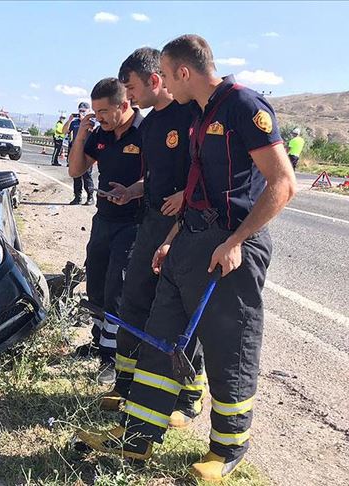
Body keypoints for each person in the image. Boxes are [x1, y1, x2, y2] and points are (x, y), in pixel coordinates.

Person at [76, 35, 296, 482]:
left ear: (181, 72)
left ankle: (228, 447)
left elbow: (283, 183)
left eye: (166, 77)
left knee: (229, 347)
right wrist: (172, 237)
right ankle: (136, 437)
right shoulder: (199, 114)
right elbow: (196, 186)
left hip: (231, 245)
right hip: (188, 241)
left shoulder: (243, 106)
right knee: (161, 338)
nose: (163, 92)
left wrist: (236, 240)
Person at [100, 47, 205, 428]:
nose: (127, 97)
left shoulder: (191, 113)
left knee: (180, 311)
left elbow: (206, 170)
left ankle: (189, 394)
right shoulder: (150, 125)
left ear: (155, 80)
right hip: (152, 221)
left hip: (188, 226)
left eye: (130, 88)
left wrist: (187, 196)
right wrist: (133, 191)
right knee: (135, 300)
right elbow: (155, 178)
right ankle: (125, 381)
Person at [68, 79, 143, 385]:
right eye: (94, 111)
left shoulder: (146, 132)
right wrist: (82, 134)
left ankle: (113, 359)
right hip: (104, 219)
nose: (98, 117)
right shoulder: (100, 134)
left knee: (117, 289)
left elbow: (161, 178)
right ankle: (99, 342)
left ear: (124, 105)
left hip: (134, 223)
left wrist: (133, 192)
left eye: (103, 111)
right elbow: (75, 170)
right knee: (96, 283)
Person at [62, 102, 96, 204]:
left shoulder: (92, 121)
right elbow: (64, 131)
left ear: (89, 111)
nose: (81, 113)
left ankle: (90, 197)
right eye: (80, 110)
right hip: (75, 151)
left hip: (87, 152)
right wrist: (69, 120)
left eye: (83, 111)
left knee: (86, 175)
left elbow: (94, 132)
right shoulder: (74, 122)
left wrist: (83, 121)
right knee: (76, 175)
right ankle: (77, 197)